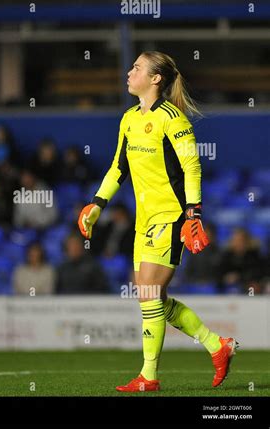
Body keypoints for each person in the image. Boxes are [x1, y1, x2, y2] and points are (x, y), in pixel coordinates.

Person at [77, 51, 237, 392]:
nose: (129, 71)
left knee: (149, 294)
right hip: (143, 221)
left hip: (171, 217)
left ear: (155, 79)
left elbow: (193, 167)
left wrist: (193, 213)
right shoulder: (128, 119)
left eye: (136, 68)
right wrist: (96, 205)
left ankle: (149, 377)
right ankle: (216, 345)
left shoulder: (173, 118)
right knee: (151, 297)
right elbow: (118, 168)